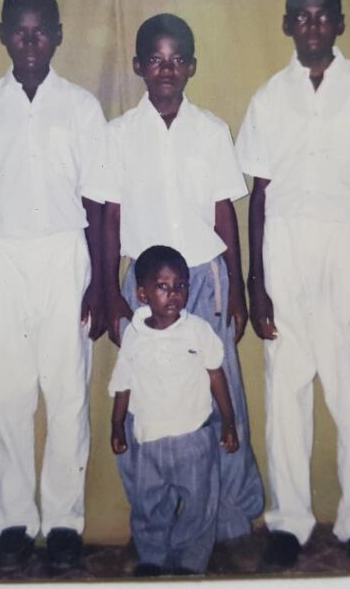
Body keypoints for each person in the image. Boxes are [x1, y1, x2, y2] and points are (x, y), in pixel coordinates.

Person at [235, 0, 350, 569]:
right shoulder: (268, 97)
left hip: (347, 244)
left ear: (339, 23)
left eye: (323, 17)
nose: (312, 26)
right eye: (301, 17)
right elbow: (258, 192)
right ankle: (288, 521)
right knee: (286, 387)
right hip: (284, 247)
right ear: (287, 25)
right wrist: (256, 281)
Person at [0, 0, 107, 573]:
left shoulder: (82, 108)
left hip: (66, 258)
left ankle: (65, 521)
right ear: (2, 34)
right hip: (4, 259)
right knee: (8, 396)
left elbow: (96, 200)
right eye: (20, 31)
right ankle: (12, 520)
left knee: (67, 395)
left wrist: (101, 283)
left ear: (59, 35)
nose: (31, 41)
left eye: (42, 31)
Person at [94, 13, 264, 560]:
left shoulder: (211, 130)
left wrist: (235, 287)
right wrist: (108, 291)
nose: (166, 70)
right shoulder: (118, 134)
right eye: (155, 59)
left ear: (190, 66)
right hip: (142, 288)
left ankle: (228, 518)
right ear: (139, 65)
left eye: (177, 59)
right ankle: (156, 522)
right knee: (148, 397)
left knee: (220, 393)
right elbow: (110, 218)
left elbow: (224, 215)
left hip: (205, 279)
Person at [108, 245, 240, 576]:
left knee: (199, 506)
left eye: (180, 286)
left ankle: (189, 563)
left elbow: (216, 376)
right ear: (142, 293)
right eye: (163, 286)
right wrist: (116, 425)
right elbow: (123, 384)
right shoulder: (134, 337)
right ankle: (152, 558)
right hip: (149, 440)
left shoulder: (198, 330)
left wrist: (228, 422)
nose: (173, 295)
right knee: (148, 505)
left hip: (194, 438)